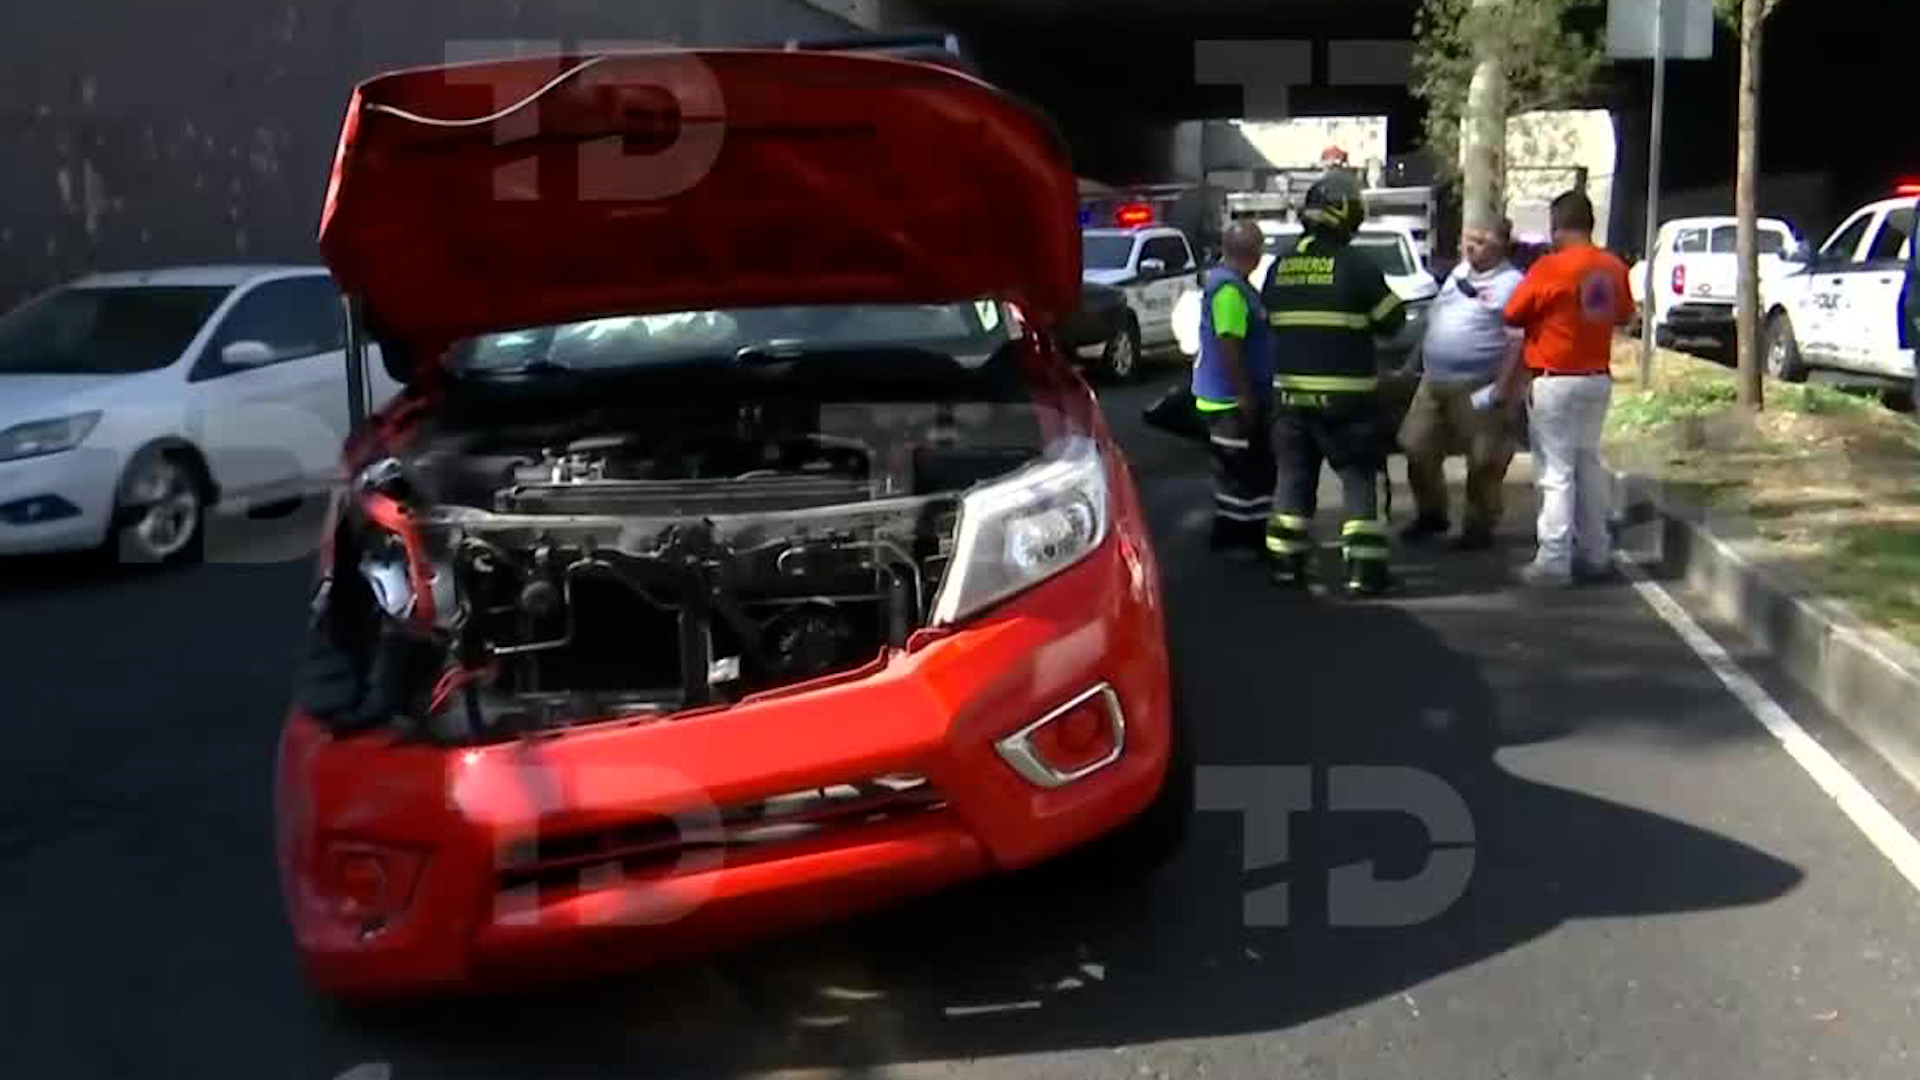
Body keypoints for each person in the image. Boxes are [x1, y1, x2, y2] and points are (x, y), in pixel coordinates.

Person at [1261, 171, 1408, 595]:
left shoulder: (1280, 267)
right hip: (1348, 404)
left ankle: (1286, 566)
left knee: (1292, 481)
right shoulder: (1357, 265)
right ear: (1346, 214)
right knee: (1360, 482)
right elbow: (1393, 321)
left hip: (1290, 401)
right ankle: (1365, 572)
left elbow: (1271, 321)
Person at [1501, 190, 1636, 587]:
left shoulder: (1549, 268)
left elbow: (1512, 312)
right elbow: (1624, 315)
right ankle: (1596, 551)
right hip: (1596, 377)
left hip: (1555, 379)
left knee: (1556, 472)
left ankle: (1554, 560)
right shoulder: (1611, 266)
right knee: (1588, 465)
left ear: (1557, 226)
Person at [1398, 215, 1527, 551]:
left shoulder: (1513, 284)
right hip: (1434, 380)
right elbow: (1435, 321)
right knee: (1415, 445)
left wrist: (1504, 387)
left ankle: (1479, 525)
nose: (1470, 246)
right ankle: (1432, 514)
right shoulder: (1458, 274)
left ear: (1502, 246)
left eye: (1481, 241)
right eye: (1468, 239)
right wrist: (1411, 364)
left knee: (1484, 459)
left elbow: (1519, 342)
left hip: (1480, 382)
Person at [1192, 221, 1277, 559]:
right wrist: (1245, 396)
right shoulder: (1229, 290)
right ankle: (1238, 539)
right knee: (1240, 475)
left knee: (1246, 470)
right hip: (1229, 401)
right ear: (1253, 253)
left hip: (1228, 397)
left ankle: (1244, 533)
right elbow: (1230, 344)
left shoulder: (1236, 285)